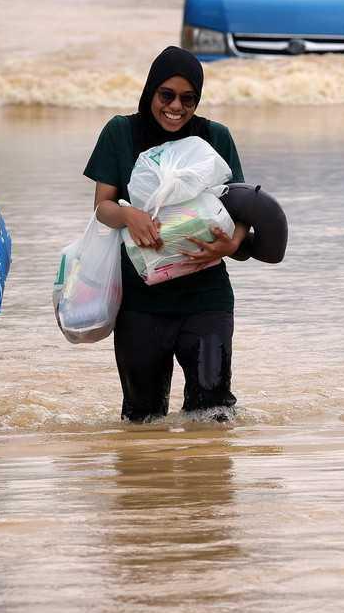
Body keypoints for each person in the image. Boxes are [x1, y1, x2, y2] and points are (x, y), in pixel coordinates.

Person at [83, 47, 248, 422]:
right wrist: (128, 214)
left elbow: (242, 209)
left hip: (206, 298)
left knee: (214, 413)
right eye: (166, 95)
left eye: (188, 99)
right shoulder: (121, 132)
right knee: (143, 420)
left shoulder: (214, 137)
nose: (176, 107)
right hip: (140, 302)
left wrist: (232, 243)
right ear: (150, 92)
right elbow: (101, 207)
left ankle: (206, 481)